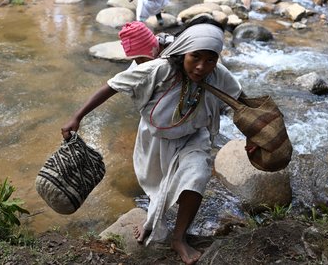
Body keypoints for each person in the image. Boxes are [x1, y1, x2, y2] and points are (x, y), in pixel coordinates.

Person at [61, 20, 242, 265]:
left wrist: (258, 130)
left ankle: (179, 238)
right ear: (183, 51)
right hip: (156, 140)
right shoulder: (159, 69)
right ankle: (153, 222)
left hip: (193, 137)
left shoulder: (218, 75)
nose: (201, 67)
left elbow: (238, 100)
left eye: (210, 60)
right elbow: (112, 86)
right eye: (195, 57)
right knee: (158, 186)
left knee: (196, 176)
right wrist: (77, 117)